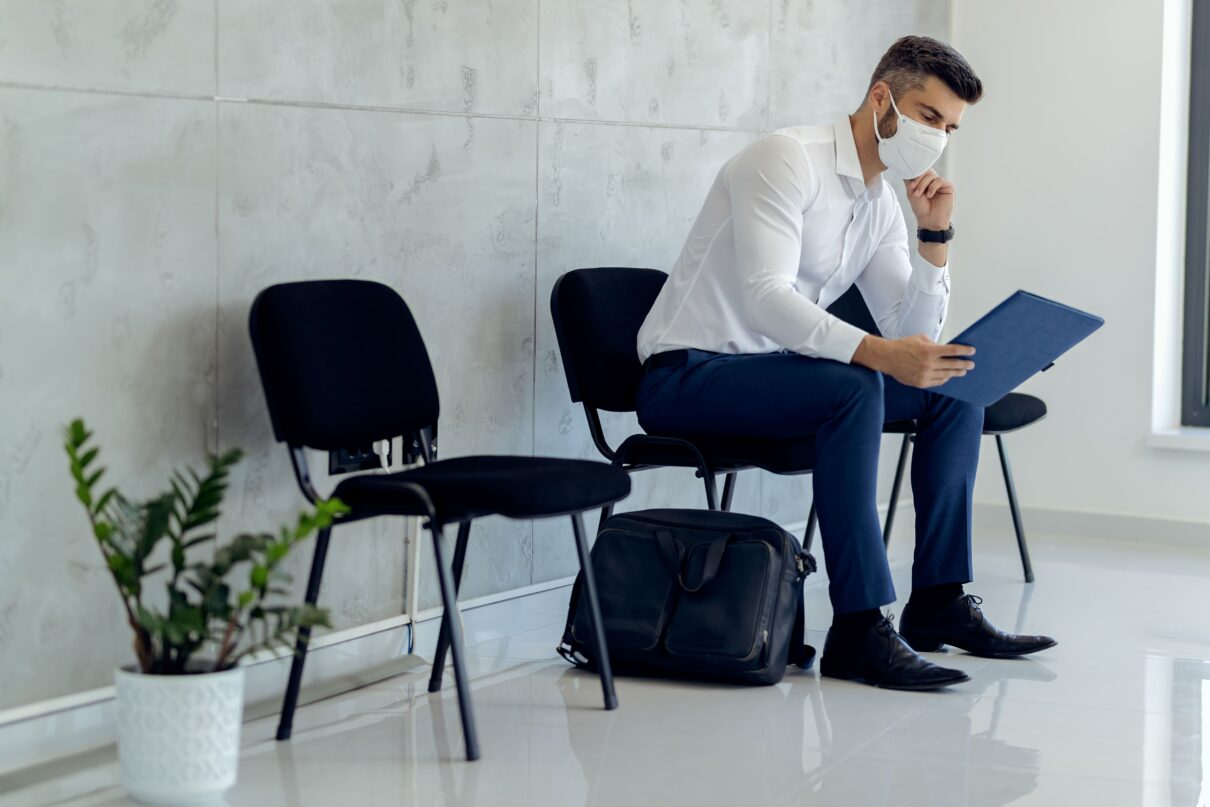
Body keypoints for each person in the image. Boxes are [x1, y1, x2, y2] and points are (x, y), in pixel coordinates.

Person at [634, 35, 1055, 690]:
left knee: (950, 387)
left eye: (948, 126)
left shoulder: (882, 206)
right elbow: (765, 297)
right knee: (854, 384)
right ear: (882, 98)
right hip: (688, 375)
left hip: (777, 376)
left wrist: (933, 236)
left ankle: (938, 598)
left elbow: (914, 334)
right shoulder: (785, 159)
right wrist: (881, 354)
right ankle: (858, 626)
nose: (936, 136)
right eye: (927, 114)